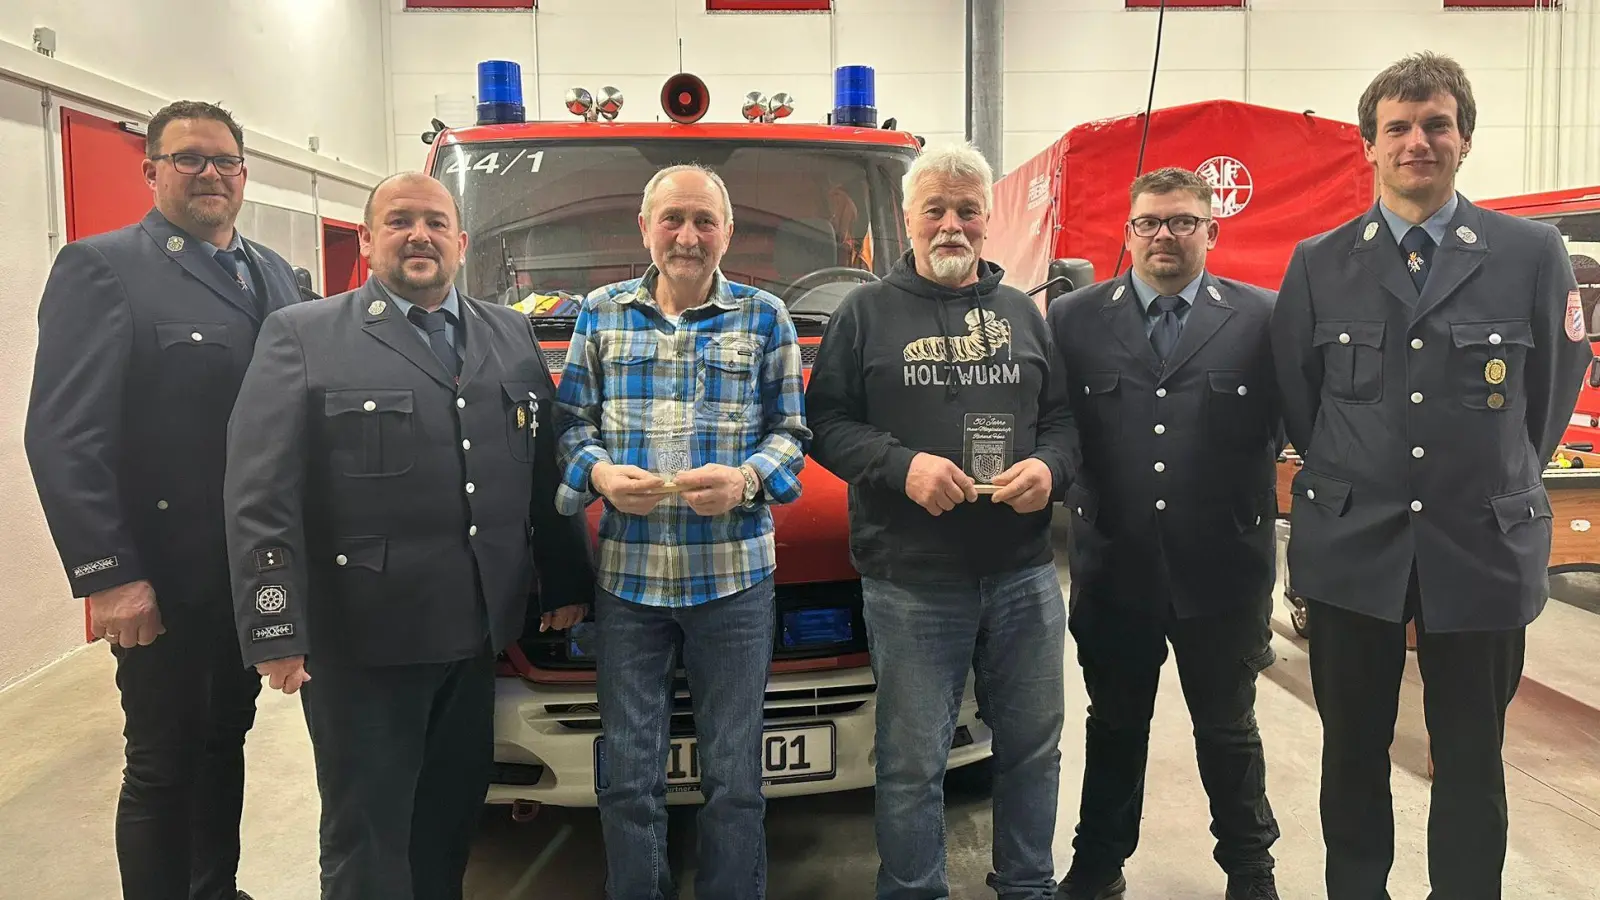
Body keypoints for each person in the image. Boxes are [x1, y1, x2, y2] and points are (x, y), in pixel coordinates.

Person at [1270, 53, 1592, 900]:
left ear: (1465, 139)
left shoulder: (1530, 253)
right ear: (1368, 146)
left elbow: (1549, 396)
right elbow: (1304, 405)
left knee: (1473, 762)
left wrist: (1485, 474)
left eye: (1436, 124)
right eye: (1399, 127)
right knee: (1351, 758)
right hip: (1353, 550)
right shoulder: (1319, 261)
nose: (1419, 141)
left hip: (1480, 547)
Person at [222, 172, 593, 900]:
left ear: (460, 242)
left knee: (448, 823)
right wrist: (276, 623)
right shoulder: (303, 334)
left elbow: (542, 464)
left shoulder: (508, 331)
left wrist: (567, 577)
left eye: (433, 222)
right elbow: (259, 492)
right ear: (367, 241)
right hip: (363, 641)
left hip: (474, 634)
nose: (418, 235)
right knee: (368, 835)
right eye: (398, 222)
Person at [23, 100, 300, 900]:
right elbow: (62, 436)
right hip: (164, 578)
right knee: (163, 759)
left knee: (226, 740)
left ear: (245, 172)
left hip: (248, 573)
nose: (210, 173)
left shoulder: (274, 275)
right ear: (151, 171)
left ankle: (213, 888)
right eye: (188, 159)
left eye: (224, 159)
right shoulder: (102, 267)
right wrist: (109, 574)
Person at [804, 142, 1077, 900]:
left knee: (1032, 747)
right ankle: (913, 889)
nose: (951, 225)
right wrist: (902, 467)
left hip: (1022, 574)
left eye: (966, 211)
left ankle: (1027, 884)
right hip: (912, 581)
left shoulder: (1022, 312)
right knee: (912, 762)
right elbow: (824, 421)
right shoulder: (863, 315)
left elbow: (1062, 423)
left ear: (988, 219)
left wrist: (1050, 470)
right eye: (936, 210)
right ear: (908, 220)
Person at [553, 163, 809, 900]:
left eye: (704, 221)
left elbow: (792, 431)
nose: (688, 236)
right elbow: (571, 426)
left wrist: (748, 479)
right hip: (629, 585)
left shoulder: (766, 318)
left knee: (735, 780)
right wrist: (599, 476)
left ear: (727, 231)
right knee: (629, 778)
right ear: (645, 228)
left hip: (734, 584)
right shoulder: (600, 314)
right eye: (673, 220)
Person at [1049, 167, 1282, 900]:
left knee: (1228, 730)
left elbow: (1304, 425)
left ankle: (1251, 869)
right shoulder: (1074, 320)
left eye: (1183, 221)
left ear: (1212, 231)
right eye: (1149, 222)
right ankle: (1098, 863)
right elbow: (1052, 429)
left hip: (1224, 572)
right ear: (1127, 233)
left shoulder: (1263, 319)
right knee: (1115, 725)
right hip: (1115, 568)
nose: (1164, 236)